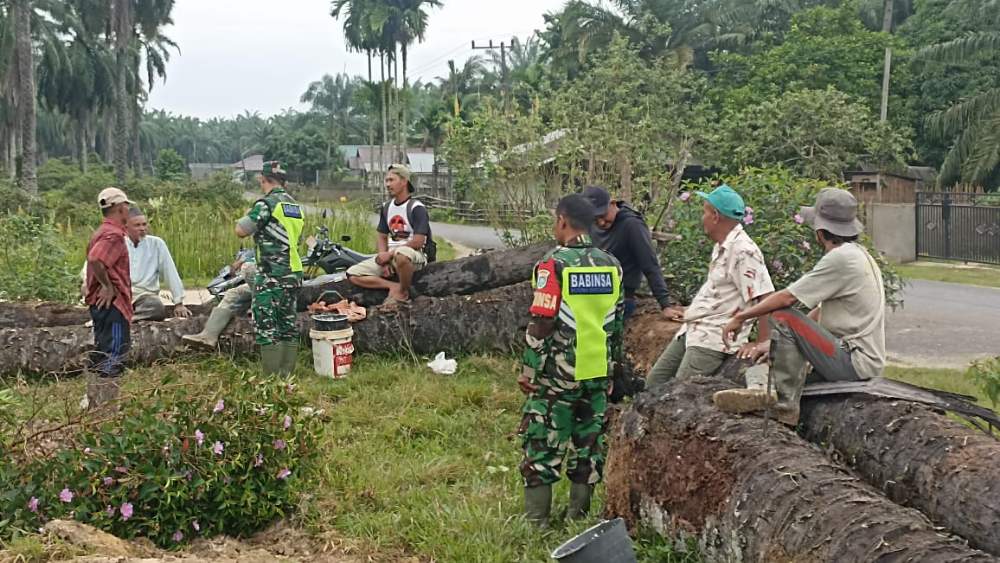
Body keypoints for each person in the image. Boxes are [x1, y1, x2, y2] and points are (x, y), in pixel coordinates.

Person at [713, 188, 886, 426]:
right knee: (781, 339)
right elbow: (819, 311)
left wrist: (741, 317)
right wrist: (776, 342)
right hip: (860, 359)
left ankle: (783, 406)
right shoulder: (857, 255)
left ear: (819, 231)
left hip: (854, 363)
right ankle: (763, 388)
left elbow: (786, 299)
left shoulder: (841, 259)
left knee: (783, 315)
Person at [518, 194, 624, 526]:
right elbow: (617, 323)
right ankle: (578, 518)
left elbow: (543, 320)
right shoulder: (611, 264)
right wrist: (612, 369)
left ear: (562, 220)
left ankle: (537, 524)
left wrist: (528, 366)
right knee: (589, 445)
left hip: (557, 375)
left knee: (543, 444)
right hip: (597, 369)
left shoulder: (554, 264)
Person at [646, 185, 775, 388]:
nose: (702, 218)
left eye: (704, 212)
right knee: (654, 384)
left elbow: (766, 297)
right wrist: (692, 309)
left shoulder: (744, 251)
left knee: (677, 395)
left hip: (713, 338)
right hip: (694, 329)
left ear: (715, 216)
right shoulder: (723, 246)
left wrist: (761, 343)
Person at [235, 161, 304, 375]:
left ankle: (271, 379)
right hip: (293, 271)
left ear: (262, 179)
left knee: (266, 324)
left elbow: (240, 230)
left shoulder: (266, 204)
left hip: (273, 272)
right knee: (287, 323)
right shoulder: (295, 206)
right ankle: (287, 376)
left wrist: (249, 212)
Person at [347, 164, 433, 305]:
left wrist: (391, 254)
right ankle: (392, 286)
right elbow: (381, 235)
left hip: (413, 255)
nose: (387, 184)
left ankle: (404, 291)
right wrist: (383, 257)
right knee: (353, 273)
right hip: (392, 256)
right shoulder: (386, 207)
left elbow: (418, 241)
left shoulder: (417, 208)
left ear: (404, 181)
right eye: (386, 181)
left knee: (402, 255)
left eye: (391, 180)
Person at [583, 186, 671, 319]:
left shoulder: (632, 225)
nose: (600, 222)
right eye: (595, 219)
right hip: (591, 294)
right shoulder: (589, 225)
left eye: (603, 216)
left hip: (620, 299)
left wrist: (666, 305)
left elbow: (650, 264)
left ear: (612, 204)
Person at [83, 187, 134, 407]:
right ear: (120, 208)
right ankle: (105, 405)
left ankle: (94, 399)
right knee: (114, 352)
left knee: (102, 348)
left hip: (102, 304)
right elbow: (95, 259)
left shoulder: (101, 231)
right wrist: (107, 285)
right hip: (112, 305)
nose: (128, 211)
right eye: (126, 207)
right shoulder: (113, 234)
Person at [182, 253, 255, 348]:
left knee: (249, 268)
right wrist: (243, 259)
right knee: (234, 293)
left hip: (276, 281)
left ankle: (261, 326)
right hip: (267, 277)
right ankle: (208, 335)